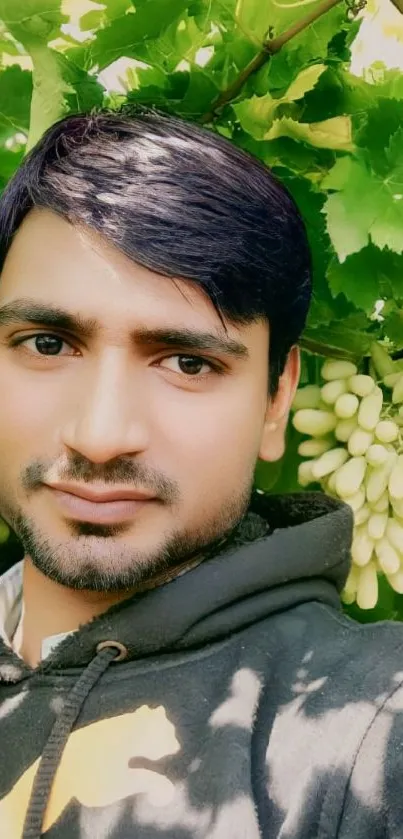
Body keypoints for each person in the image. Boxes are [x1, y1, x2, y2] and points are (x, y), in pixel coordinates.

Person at [0, 105, 400, 839]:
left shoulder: (374, 724)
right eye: (48, 343)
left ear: (277, 397)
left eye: (187, 362)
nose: (100, 434)